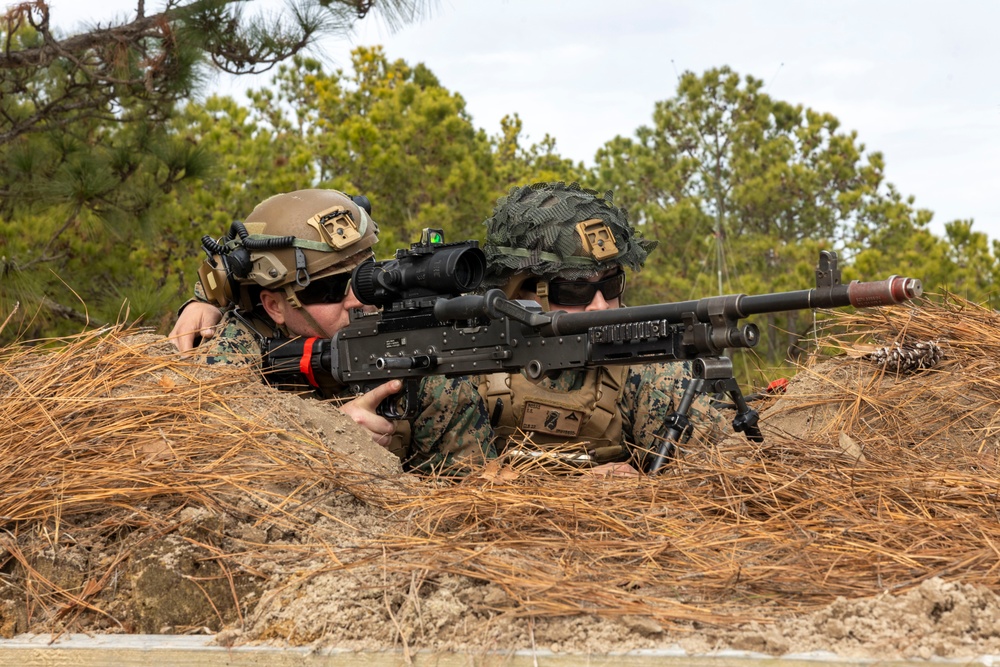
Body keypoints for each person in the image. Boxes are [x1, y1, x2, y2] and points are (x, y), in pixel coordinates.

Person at [169, 188, 494, 472]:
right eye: (331, 288)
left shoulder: (419, 358)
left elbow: (470, 500)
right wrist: (329, 437)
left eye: (365, 277)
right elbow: (204, 457)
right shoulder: (235, 350)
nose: (355, 299)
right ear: (274, 306)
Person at [478, 181, 723, 475]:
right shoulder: (464, 364)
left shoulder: (649, 365)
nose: (601, 306)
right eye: (573, 291)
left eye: (610, 285)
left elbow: (712, 476)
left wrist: (643, 488)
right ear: (518, 294)